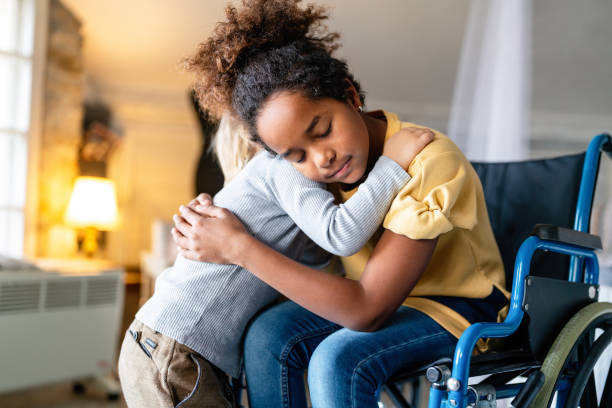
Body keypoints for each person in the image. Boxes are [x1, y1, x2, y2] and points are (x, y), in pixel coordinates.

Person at [173, 1, 511, 407]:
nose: (321, 159)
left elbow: (367, 310)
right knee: (267, 335)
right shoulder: (312, 174)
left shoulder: (430, 160)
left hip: (458, 310)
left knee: (338, 359)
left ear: (351, 96)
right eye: (297, 155)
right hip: (379, 300)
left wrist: (239, 248)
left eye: (323, 130)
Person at [118, 108, 433, 407]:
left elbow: (318, 270)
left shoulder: (286, 194)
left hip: (170, 346)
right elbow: (342, 233)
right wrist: (391, 165)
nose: (321, 157)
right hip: (174, 350)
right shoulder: (280, 167)